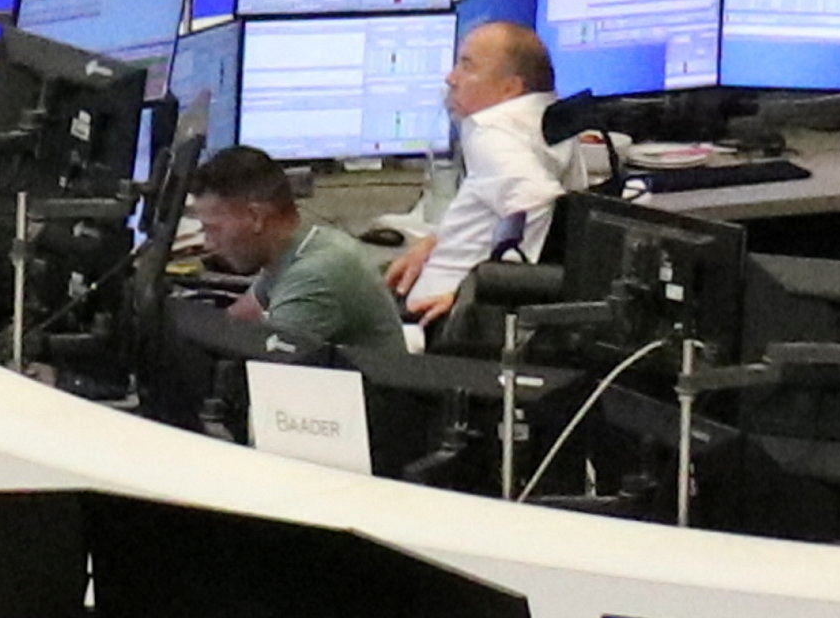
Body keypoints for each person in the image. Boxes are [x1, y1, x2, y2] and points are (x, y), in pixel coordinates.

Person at [183, 144, 412, 366]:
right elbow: (236, 321)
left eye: (213, 229)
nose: (208, 243)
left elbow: (265, 371)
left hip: (372, 402)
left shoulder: (313, 275)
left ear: (255, 217)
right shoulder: (300, 247)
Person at [401, 19, 567, 324]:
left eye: (468, 66)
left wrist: (478, 294)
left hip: (439, 322)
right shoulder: (548, 118)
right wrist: (438, 239)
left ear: (510, 88)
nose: (451, 78)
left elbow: (536, 200)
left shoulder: (491, 133)